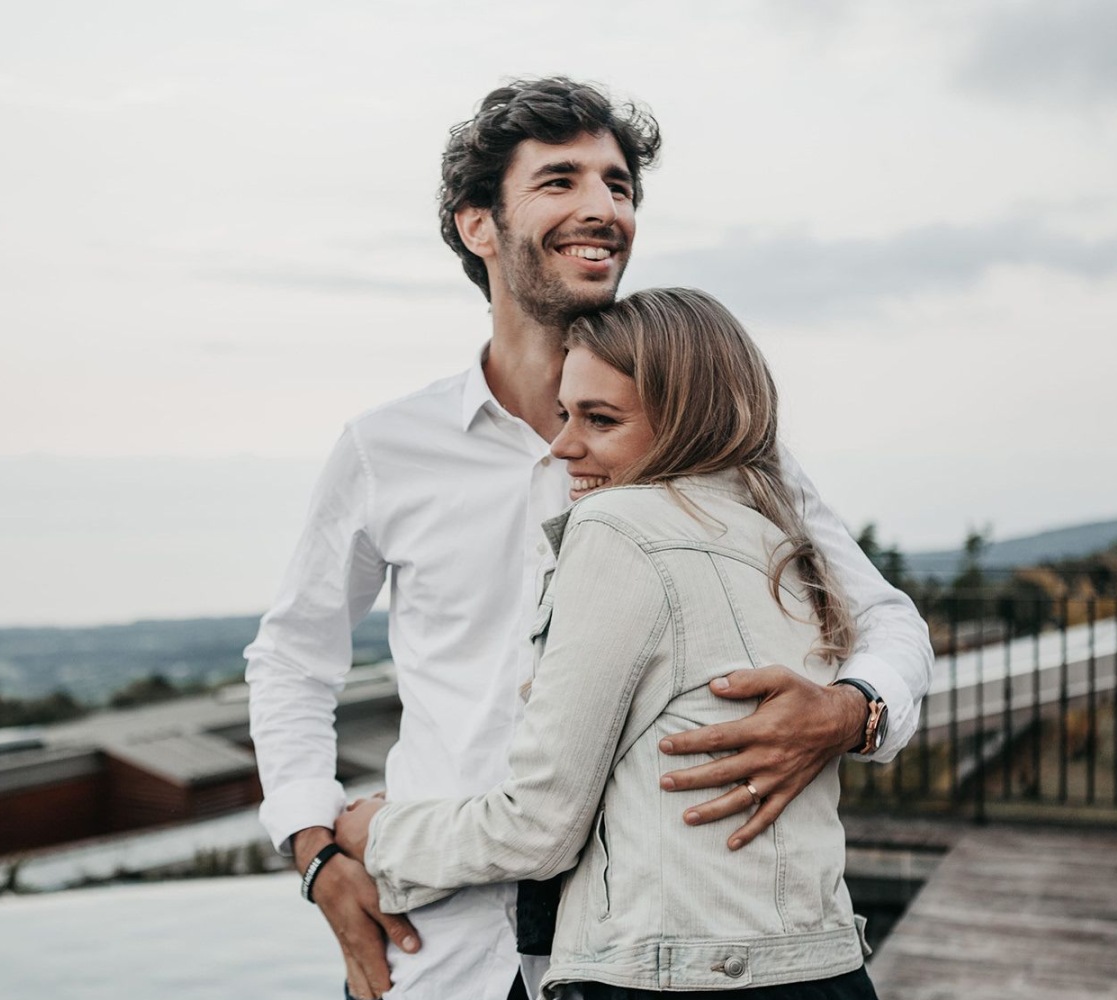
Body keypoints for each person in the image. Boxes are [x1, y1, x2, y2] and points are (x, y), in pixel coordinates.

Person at [245, 78, 932, 1000]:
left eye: (619, 186)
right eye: (561, 180)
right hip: (441, 941)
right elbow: (293, 658)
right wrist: (315, 850)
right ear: (478, 225)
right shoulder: (385, 448)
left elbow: (885, 619)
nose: (602, 209)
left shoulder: (719, 439)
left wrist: (851, 713)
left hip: (658, 954)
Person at [336, 287, 880, 999]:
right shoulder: (785, 543)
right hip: (825, 967)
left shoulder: (618, 529)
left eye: (600, 419)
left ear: (687, 422)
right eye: (565, 414)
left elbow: (539, 827)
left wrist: (375, 833)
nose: (563, 447)